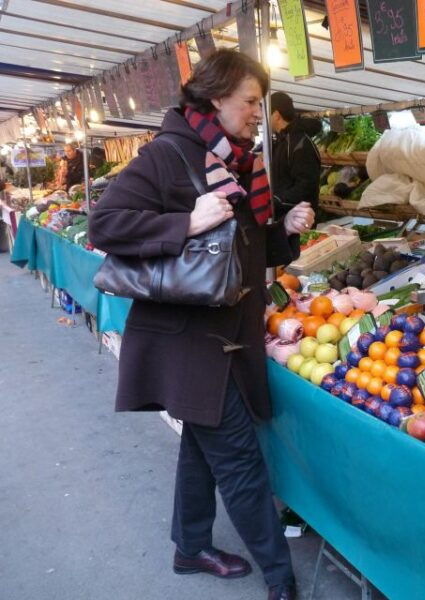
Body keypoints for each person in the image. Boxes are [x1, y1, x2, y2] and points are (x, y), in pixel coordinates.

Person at [89, 49, 313, 600]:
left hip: (232, 336)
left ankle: (190, 547)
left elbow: (250, 245)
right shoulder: (168, 155)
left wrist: (285, 225)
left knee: (201, 445)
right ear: (216, 98)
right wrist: (187, 219)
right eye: (250, 103)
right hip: (189, 341)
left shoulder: (242, 162)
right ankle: (282, 580)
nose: (257, 115)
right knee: (239, 461)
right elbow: (106, 223)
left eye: (262, 105)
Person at [269, 92, 321, 219]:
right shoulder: (283, 141)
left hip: (299, 220)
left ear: (276, 115)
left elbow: (306, 185)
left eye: (266, 115)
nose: (261, 118)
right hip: (284, 216)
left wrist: (276, 200)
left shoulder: (300, 143)